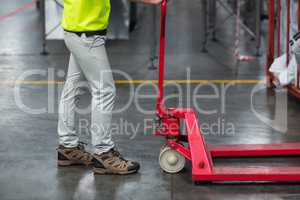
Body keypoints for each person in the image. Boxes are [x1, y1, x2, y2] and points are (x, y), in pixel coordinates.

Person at [57, 0, 162, 175]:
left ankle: (67, 148)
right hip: (86, 32)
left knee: (72, 87)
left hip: (76, 27)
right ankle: (103, 153)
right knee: (104, 91)